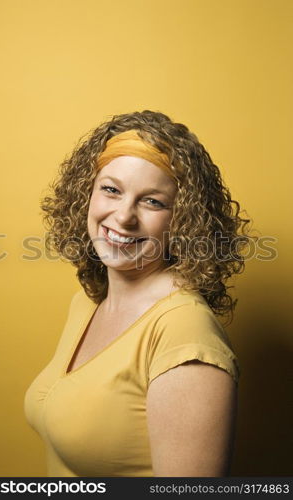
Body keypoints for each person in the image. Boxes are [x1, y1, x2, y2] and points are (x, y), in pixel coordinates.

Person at [24, 110, 250, 477]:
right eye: (111, 190)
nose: (124, 216)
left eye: (152, 202)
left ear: (183, 220)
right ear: (87, 194)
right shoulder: (88, 302)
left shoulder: (184, 336)